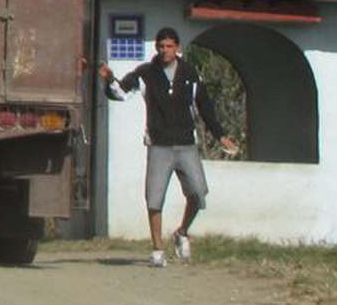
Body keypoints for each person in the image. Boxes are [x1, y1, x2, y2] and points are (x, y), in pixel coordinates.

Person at [100, 27, 238, 266]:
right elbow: (121, 93)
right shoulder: (146, 73)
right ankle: (157, 249)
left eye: (170, 46)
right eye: (161, 46)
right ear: (156, 48)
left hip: (186, 144)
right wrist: (108, 78)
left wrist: (221, 136)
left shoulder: (190, 73)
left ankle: (182, 232)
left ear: (178, 48)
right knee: (154, 197)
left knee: (198, 192)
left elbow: (205, 107)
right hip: (159, 145)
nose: (165, 51)